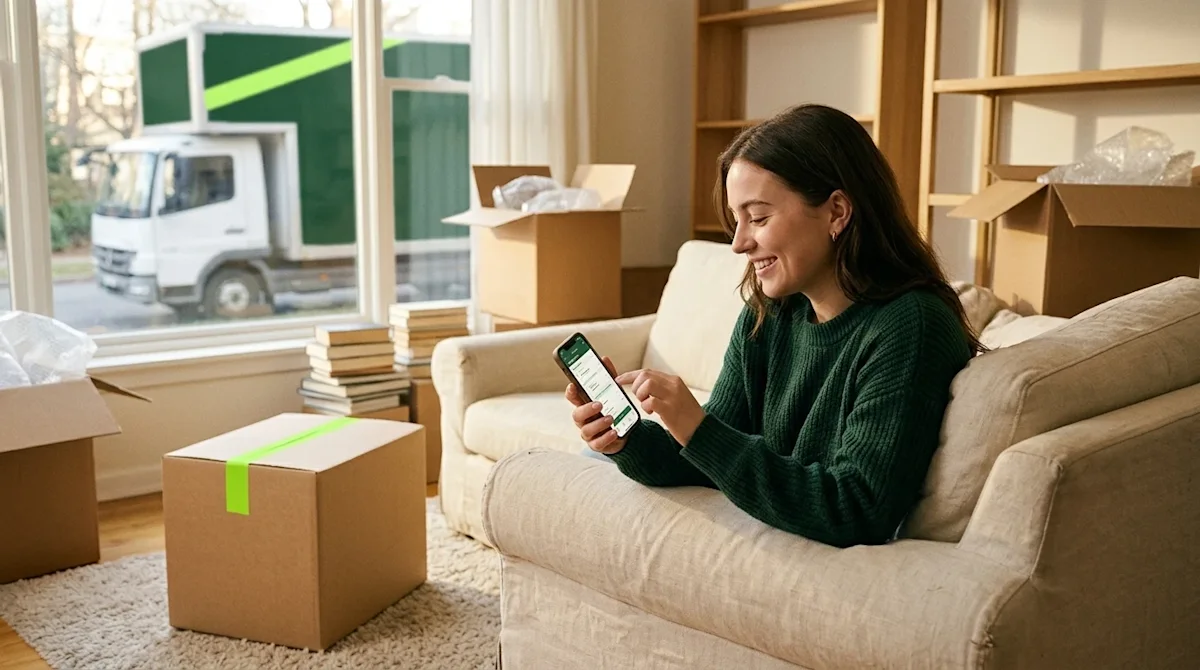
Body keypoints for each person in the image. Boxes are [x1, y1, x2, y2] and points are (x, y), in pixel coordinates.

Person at [565, 103, 982, 549]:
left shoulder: (909, 326)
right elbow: (709, 462)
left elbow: (857, 509)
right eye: (736, 220)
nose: (740, 243)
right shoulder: (770, 313)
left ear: (837, 211)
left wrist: (699, 428)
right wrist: (625, 439)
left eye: (758, 217)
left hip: (835, 567)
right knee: (592, 459)